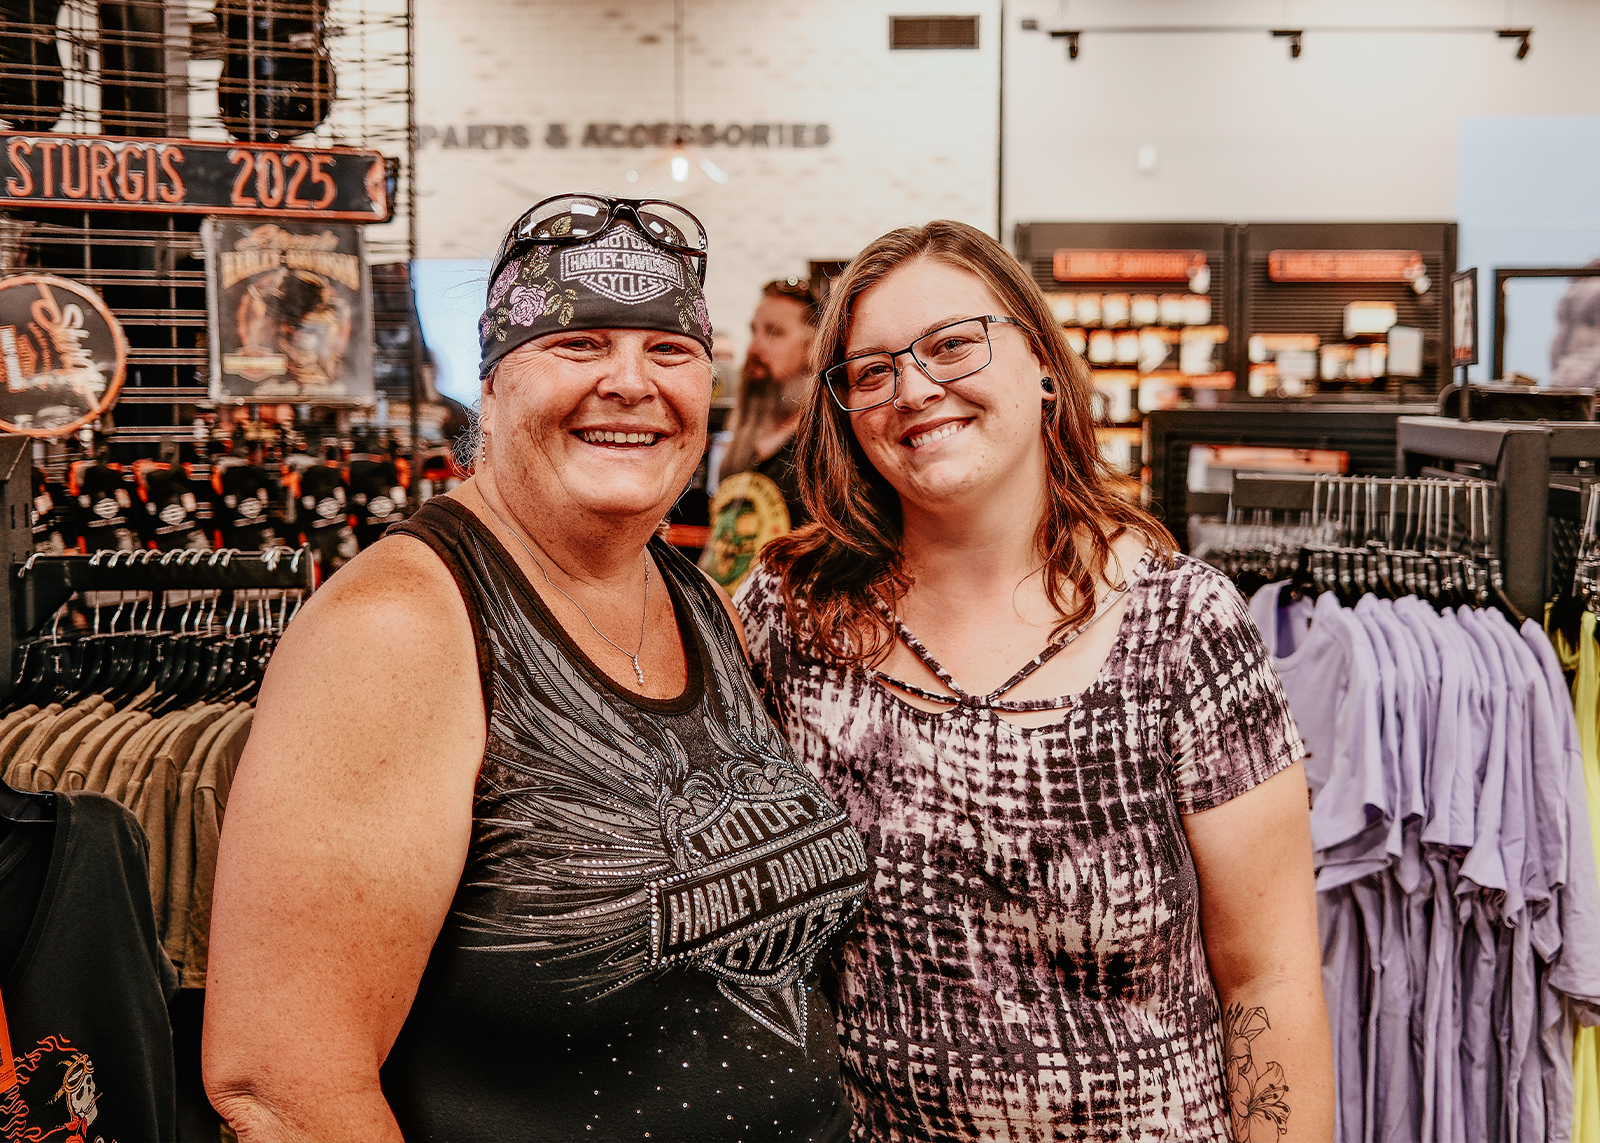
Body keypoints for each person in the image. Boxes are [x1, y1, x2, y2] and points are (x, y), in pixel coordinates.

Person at [202, 194, 868, 1142]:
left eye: (668, 351)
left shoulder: (698, 600)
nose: (631, 383)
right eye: (581, 344)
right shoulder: (399, 627)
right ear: (495, 383)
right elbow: (282, 1088)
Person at [734, 220, 1334, 1142]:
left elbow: (1272, 976)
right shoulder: (788, 615)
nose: (915, 389)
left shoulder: (1183, 627)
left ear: (1044, 362)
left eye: (950, 344)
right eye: (871, 371)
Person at [703, 276, 820, 592]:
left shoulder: (826, 447)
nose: (755, 348)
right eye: (754, 331)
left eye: (775, 333)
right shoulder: (744, 438)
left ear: (813, 349)